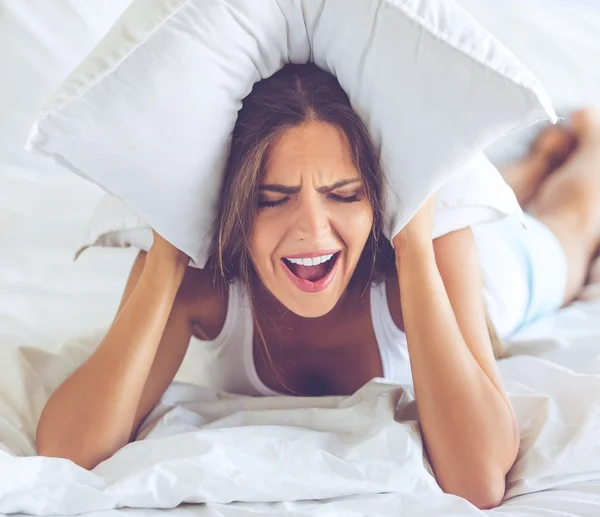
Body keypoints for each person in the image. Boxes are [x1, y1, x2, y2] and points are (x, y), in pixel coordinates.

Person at [35, 64, 600, 509]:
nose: (311, 229)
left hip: (474, 280)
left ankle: (586, 141)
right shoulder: (197, 276)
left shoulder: (430, 244)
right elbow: (68, 453)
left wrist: (414, 246)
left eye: (345, 194)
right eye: (272, 198)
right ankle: (536, 163)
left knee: (571, 227)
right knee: (528, 189)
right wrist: (164, 255)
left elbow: (477, 480)